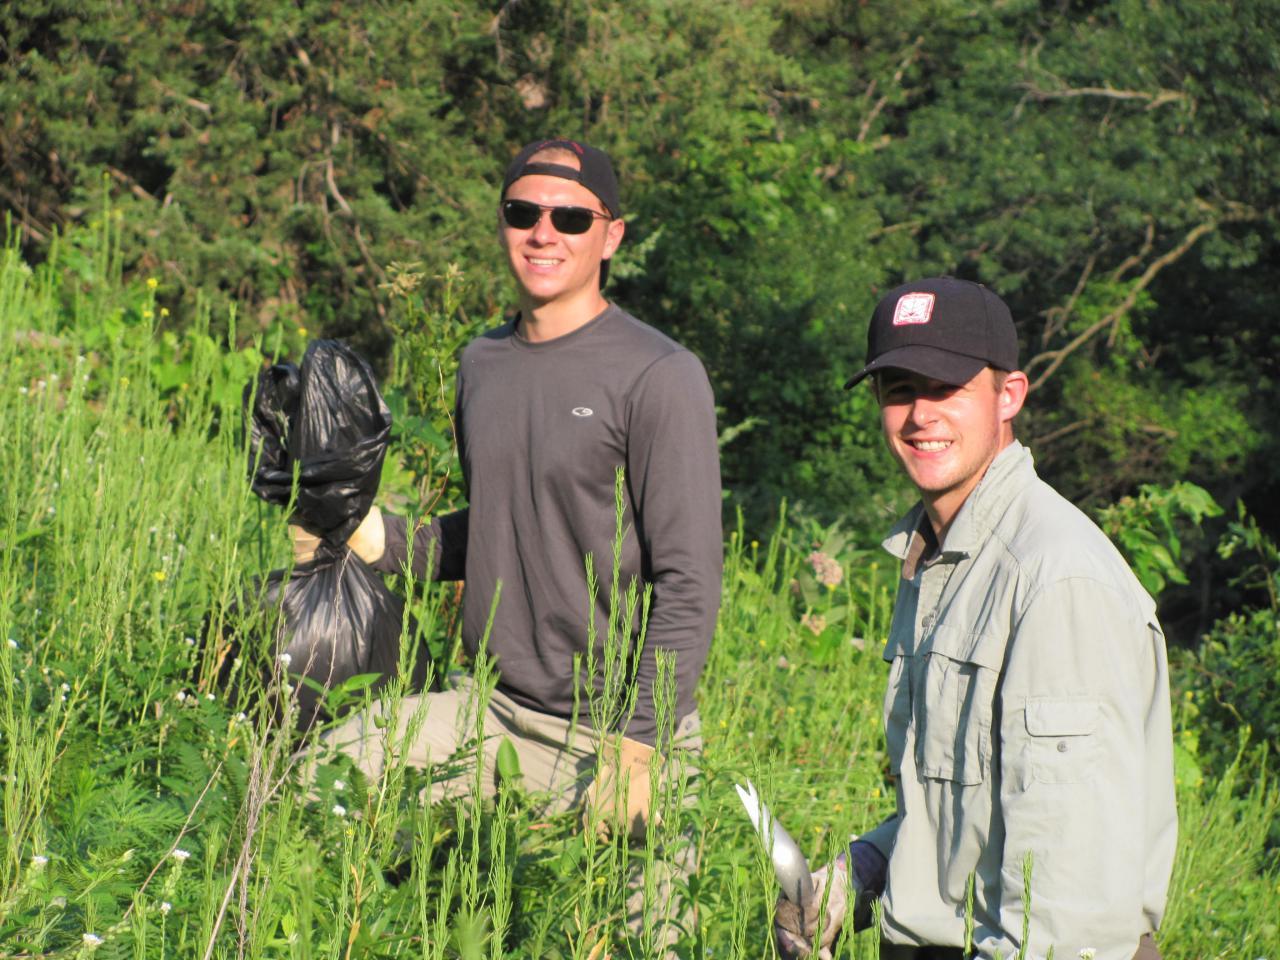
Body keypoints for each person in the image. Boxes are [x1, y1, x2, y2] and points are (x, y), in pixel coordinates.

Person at [293, 138, 723, 847]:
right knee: (315, 789)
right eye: (523, 212)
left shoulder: (659, 375)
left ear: (611, 235)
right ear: (503, 224)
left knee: (648, 941)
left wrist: (638, 749)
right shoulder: (483, 364)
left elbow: (689, 582)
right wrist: (379, 540)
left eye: (571, 218)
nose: (543, 231)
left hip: (618, 732)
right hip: (489, 710)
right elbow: (505, 521)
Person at [775, 277, 1177, 960]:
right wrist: (859, 876)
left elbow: (1065, 890)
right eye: (899, 389)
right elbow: (959, 808)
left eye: (947, 387)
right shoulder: (941, 561)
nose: (920, 414)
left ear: (1009, 395)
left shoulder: (1053, 580)